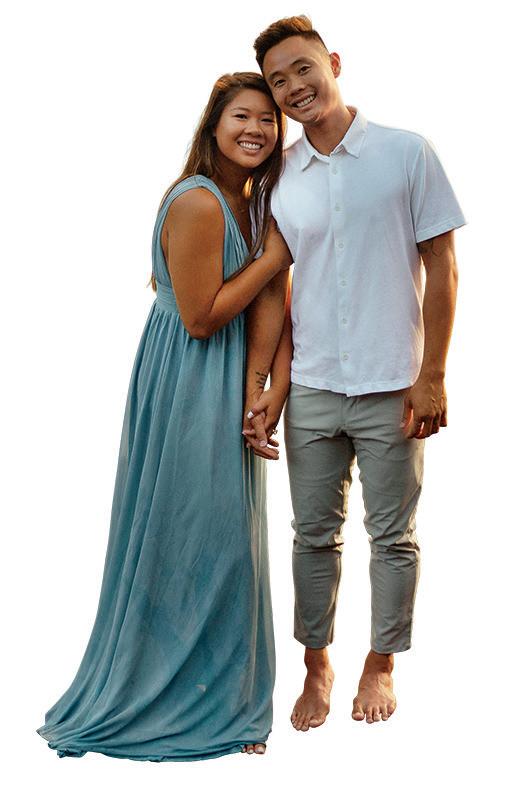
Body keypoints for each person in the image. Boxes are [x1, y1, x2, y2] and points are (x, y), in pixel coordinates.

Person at [36, 71, 292, 762]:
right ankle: (160, 697)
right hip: (189, 373)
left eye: (268, 120)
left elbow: (278, 300)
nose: (256, 129)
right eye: (242, 116)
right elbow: (202, 317)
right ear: (214, 125)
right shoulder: (200, 202)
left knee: (230, 538)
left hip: (229, 375)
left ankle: (227, 701)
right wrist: (272, 257)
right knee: (188, 529)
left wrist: (268, 387)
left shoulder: (252, 203)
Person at [243, 16, 466, 730]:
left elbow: (442, 265)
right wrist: (267, 386)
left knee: (393, 537)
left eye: (302, 69)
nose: (293, 87)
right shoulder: (279, 177)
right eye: (278, 81)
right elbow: (275, 287)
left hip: (393, 386)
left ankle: (381, 663)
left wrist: (432, 374)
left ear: (332, 63)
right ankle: (317, 664)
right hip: (312, 387)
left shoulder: (406, 153)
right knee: (311, 535)